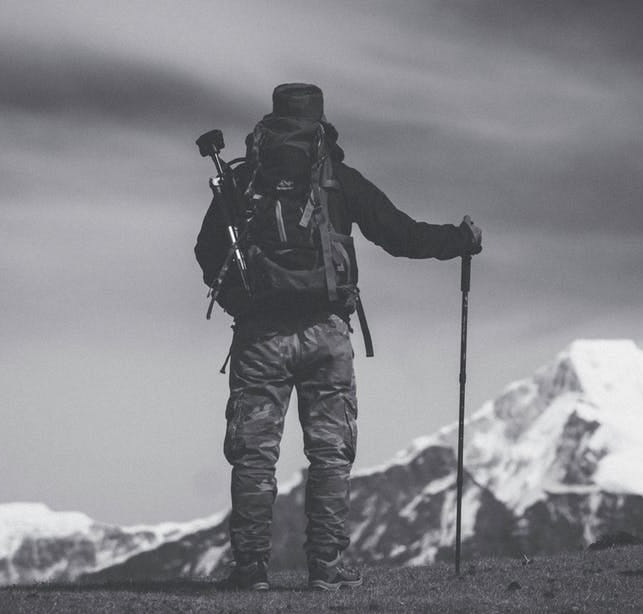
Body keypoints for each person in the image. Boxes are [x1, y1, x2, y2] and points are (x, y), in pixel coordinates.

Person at [194, 83, 482, 591]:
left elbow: (205, 251)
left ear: (272, 119)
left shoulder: (243, 180)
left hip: (261, 337)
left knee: (255, 455)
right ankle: (326, 571)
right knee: (329, 455)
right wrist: (459, 239)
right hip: (327, 335)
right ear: (321, 121)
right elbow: (400, 235)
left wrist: (247, 306)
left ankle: (250, 571)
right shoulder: (337, 182)